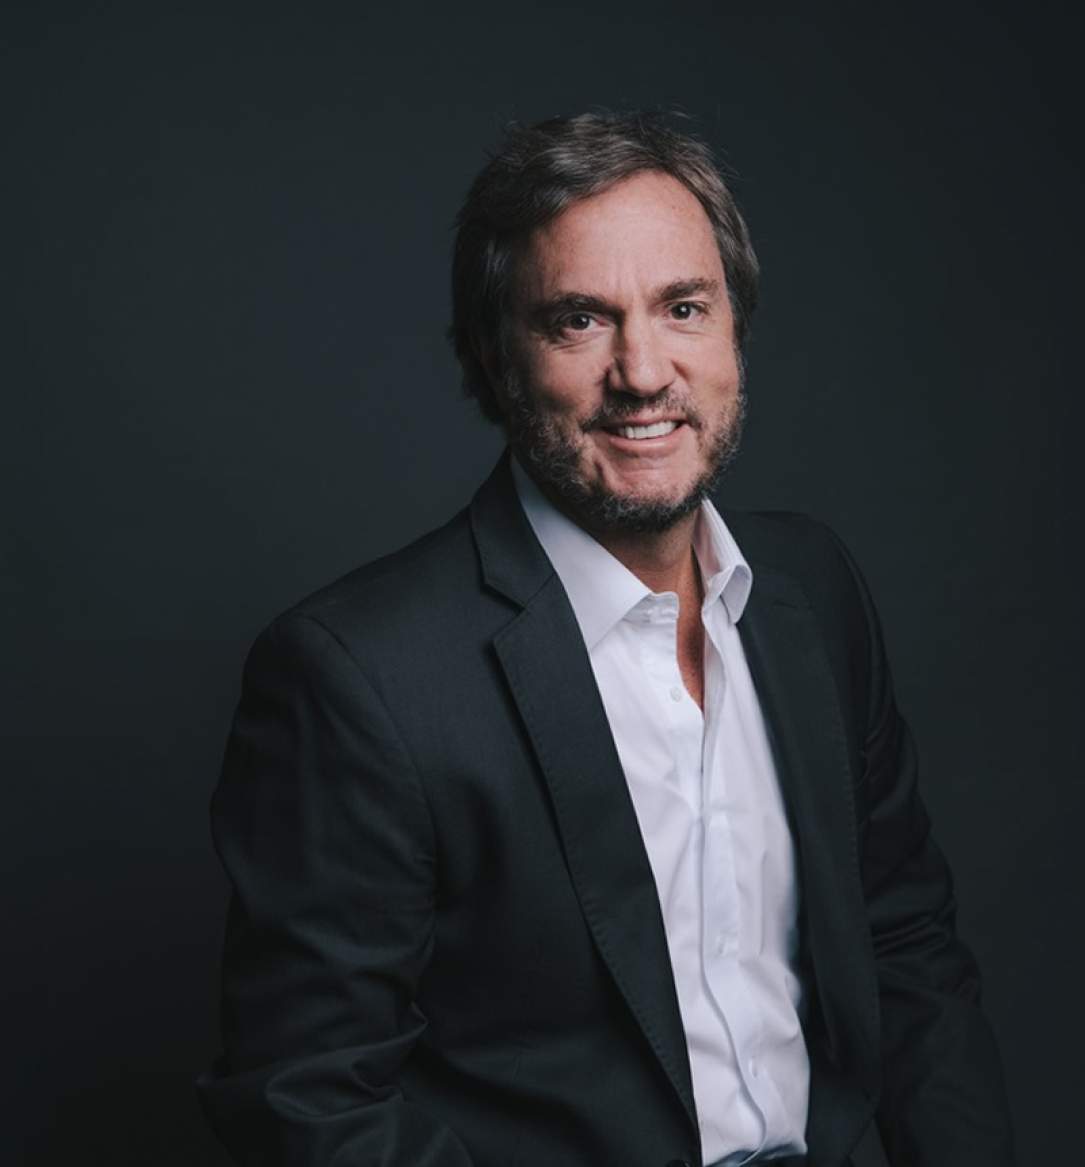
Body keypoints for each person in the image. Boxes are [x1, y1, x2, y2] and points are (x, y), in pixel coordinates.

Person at [198, 112, 1015, 1167]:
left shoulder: (813, 589)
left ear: (733, 331)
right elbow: (307, 1098)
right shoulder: (360, 677)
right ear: (493, 357)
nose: (642, 371)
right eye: (579, 321)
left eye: (683, 308)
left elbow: (906, 948)